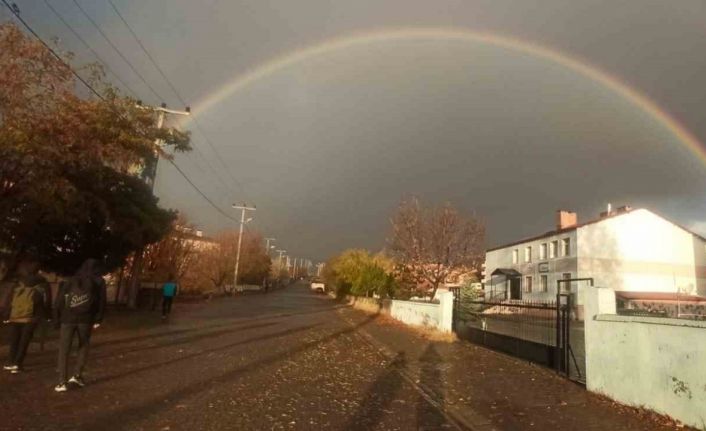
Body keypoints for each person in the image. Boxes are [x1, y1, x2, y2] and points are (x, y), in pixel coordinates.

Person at [53, 258, 106, 392]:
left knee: (64, 349)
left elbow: (59, 300)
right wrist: (98, 319)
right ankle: (77, 375)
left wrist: (56, 318)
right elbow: (101, 302)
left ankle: (61, 381)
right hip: (86, 320)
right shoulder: (99, 281)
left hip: (67, 318)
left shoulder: (72, 279)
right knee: (83, 345)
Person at [1, 259, 52, 374]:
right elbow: (47, 301)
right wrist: (48, 315)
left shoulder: (19, 281)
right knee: (25, 340)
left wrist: (6, 314)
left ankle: (10, 361)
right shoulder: (43, 282)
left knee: (15, 339)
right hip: (32, 315)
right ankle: (18, 363)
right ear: (38, 270)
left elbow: (9, 298)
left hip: (16, 314)